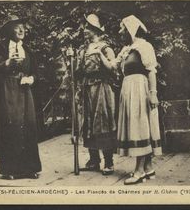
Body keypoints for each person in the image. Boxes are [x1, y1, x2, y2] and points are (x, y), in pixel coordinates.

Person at [0, 15, 41, 180]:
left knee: (28, 126)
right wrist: (7, 63)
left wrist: (31, 79)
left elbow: (35, 73)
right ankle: (9, 169)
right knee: (11, 127)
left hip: (25, 92)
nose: (21, 30)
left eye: (23, 26)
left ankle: (30, 169)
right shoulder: (0, 47)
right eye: (17, 27)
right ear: (10, 30)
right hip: (7, 92)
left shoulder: (28, 49)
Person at [67, 14, 118, 175]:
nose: (84, 30)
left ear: (95, 30)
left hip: (102, 89)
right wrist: (70, 59)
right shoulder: (83, 50)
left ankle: (108, 161)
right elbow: (78, 72)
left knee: (102, 122)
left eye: (88, 28)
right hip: (87, 89)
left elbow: (114, 69)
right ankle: (94, 160)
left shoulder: (105, 47)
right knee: (88, 123)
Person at [115, 15, 162, 185]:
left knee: (139, 127)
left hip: (140, 89)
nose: (120, 31)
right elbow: (113, 65)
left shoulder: (144, 46)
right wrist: (98, 53)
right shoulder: (127, 49)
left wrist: (153, 93)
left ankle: (139, 170)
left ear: (130, 29)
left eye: (122, 28)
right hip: (128, 90)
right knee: (137, 126)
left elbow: (151, 71)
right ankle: (148, 167)